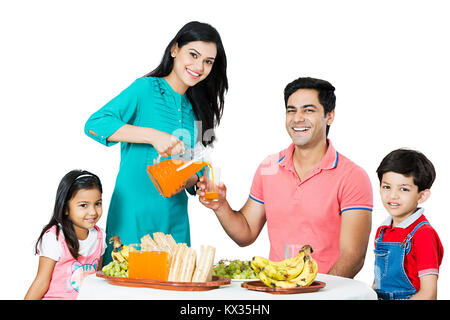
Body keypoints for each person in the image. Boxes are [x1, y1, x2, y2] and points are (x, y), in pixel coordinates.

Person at [198, 77, 373, 278]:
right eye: (291, 110)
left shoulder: (352, 176)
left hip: (327, 293)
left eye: (308, 110)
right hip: (278, 290)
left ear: (330, 116)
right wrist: (221, 205)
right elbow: (245, 233)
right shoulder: (269, 167)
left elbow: (354, 256)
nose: (297, 118)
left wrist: (322, 296)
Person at [84, 21, 228, 265]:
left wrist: (192, 180)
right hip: (132, 216)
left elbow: (197, 166)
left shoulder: (199, 110)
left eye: (208, 61)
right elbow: (95, 123)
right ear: (174, 50)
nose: (199, 66)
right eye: (193, 55)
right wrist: (154, 136)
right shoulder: (145, 89)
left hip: (174, 222)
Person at [373, 149, 443, 300]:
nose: (392, 195)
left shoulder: (423, 234)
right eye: (387, 187)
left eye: (404, 189)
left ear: (422, 195)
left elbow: (428, 294)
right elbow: (378, 281)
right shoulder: (382, 231)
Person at [25, 170, 106, 300]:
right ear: (66, 208)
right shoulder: (54, 238)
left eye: (97, 203)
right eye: (83, 205)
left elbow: (97, 278)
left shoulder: (100, 237)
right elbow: (41, 282)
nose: (93, 212)